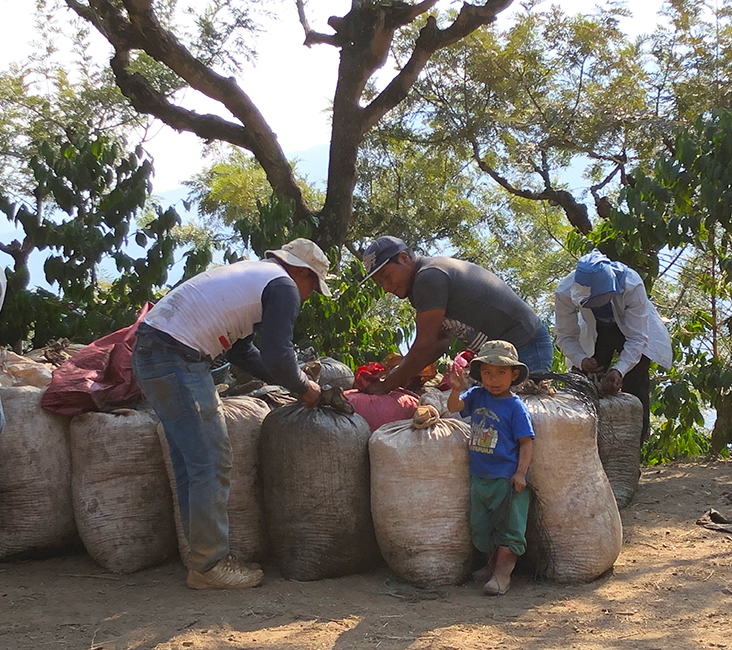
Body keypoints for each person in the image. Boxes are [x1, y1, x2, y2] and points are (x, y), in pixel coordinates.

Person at [131, 238, 330, 589]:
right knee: (211, 458)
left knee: (192, 464)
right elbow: (279, 354)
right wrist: (304, 387)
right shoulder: (283, 286)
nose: (310, 294)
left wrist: (289, 380)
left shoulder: (252, 275)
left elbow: (245, 354)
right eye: (313, 284)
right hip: (176, 358)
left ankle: (202, 559)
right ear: (301, 271)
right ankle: (209, 565)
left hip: (153, 351)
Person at [360, 236, 553, 393]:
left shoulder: (428, 278)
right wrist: (406, 370)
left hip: (525, 346)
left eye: (387, 276)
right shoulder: (419, 285)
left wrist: (387, 385)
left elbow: (425, 345)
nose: (386, 287)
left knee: (520, 421)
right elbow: (440, 343)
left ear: (404, 258)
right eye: (380, 283)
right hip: (500, 357)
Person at [554, 249, 673, 443]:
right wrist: (582, 360)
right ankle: (587, 442)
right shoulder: (564, 293)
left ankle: (636, 445)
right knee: (584, 381)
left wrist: (619, 370)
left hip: (632, 328)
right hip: (599, 331)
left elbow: (637, 338)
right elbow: (565, 335)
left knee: (637, 381)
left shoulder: (631, 284)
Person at [445, 340, 534, 596]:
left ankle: (502, 576)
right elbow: (454, 407)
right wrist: (455, 389)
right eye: (487, 373)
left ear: (514, 374)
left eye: (501, 373)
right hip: (480, 476)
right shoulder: (477, 395)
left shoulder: (515, 407)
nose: (493, 379)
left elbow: (526, 443)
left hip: (506, 479)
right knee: (482, 527)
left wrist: (520, 473)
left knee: (509, 528)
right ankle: (491, 567)